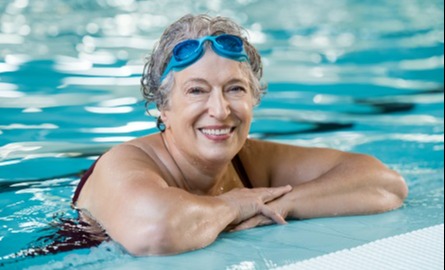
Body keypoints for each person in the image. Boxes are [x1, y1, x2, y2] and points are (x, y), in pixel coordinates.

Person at [72, 14, 408, 256]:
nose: (219, 110)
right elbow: (158, 232)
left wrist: (284, 203)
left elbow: (385, 184)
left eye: (234, 89)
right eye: (196, 91)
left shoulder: (248, 161)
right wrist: (234, 204)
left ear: (253, 98)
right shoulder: (125, 163)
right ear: (163, 107)